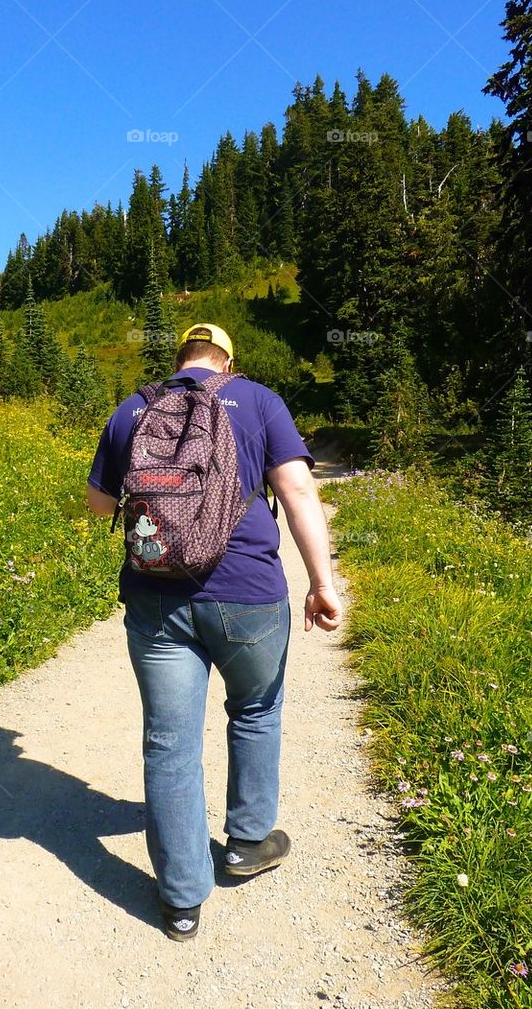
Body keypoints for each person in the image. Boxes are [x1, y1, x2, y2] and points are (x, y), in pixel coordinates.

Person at [86, 322, 342, 940]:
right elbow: (299, 490)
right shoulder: (258, 400)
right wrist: (321, 581)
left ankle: (180, 900)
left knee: (169, 742)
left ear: (180, 359)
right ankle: (247, 843)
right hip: (249, 594)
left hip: (156, 599)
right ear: (226, 360)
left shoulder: (135, 407)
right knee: (255, 709)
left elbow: (98, 507)